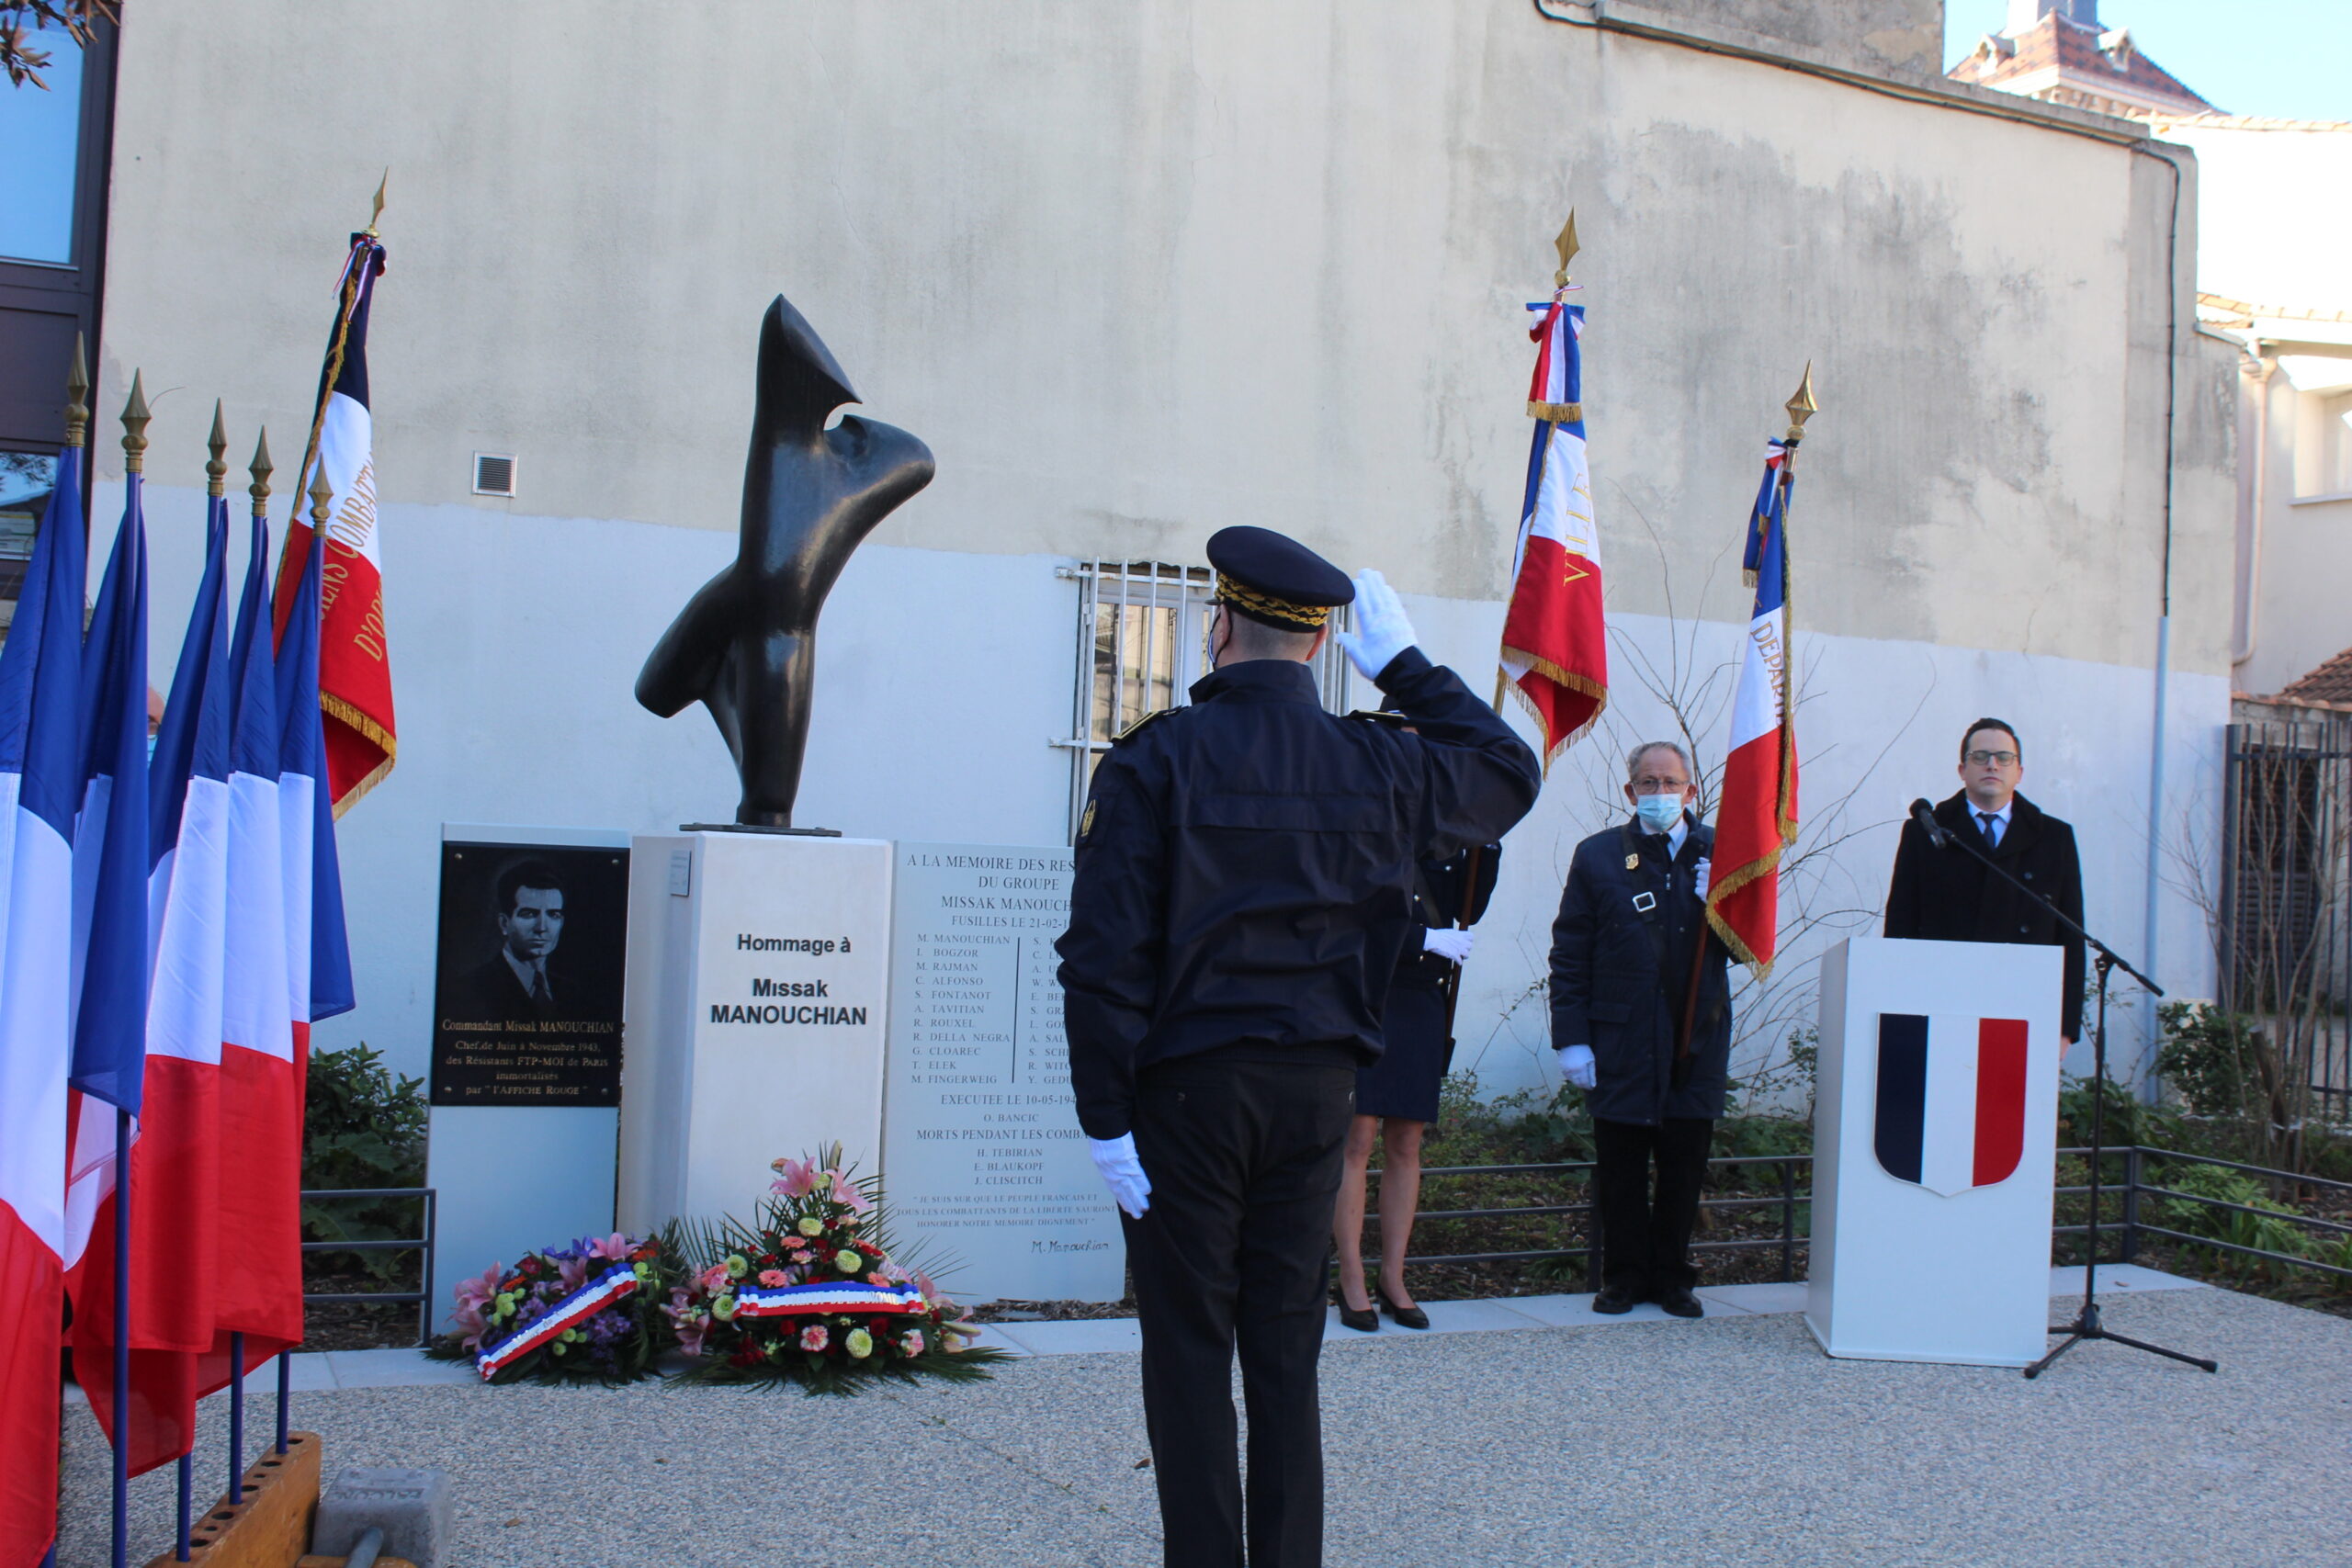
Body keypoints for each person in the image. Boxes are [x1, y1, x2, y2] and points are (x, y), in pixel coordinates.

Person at [1057, 525, 1539, 1568]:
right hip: (1318, 1090)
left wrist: (1103, 1118)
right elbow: (1509, 772)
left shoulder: (1156, 756)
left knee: (1188, 1351)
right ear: (1323, 646)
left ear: (1218, 624)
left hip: (1184, 1099)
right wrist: (1407, 668)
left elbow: (1101, 962)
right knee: (1285, 1348)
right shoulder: (1376, 758)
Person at [1548, 739, 1730, 1319]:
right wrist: (1571, 1036)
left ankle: (1674, 1278)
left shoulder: (1722, 853)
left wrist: (1724, 906)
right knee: (1621, 1166)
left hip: (1693, 1035)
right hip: (1620, 1037)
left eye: (1670, 783)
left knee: (1683, 1163)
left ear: (1691, 789)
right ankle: (1623, 1278)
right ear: (1630, 792)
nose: (1659, 793)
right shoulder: (1600, 855)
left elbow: (1750, 949)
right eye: (1647, 784)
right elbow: (1571, 953)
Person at [1329, 840, 1499, 1333]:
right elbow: (1348, 915)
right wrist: (1419, 938)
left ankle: (1394, 1277)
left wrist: (1488, 841)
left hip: (1422, 1001)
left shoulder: (1451, 841)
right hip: (1367, 999)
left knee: (1407, 1142)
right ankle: (1352, 1276)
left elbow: (1472, 904)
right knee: (1356, 1140)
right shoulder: (1374, 830)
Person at [1884, 717, 2086, 1045]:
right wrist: (1898, 1010)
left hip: (2025, 1003)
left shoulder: (2055, 837)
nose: (1992, 764)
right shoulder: (1925, 831)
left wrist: (2065, 1028)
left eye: (2004, 758)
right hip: (1943, 998)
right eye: (1980, 756)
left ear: (2019, 772)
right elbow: (1901, 924)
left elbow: (2071, 935)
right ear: (1962, 769)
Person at [447, 859, 571, 1022]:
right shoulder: (467, 990)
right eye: (529, 914)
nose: (542, 927)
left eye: (553, 915)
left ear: (561, 922)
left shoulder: (573, 992)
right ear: (504, 923)